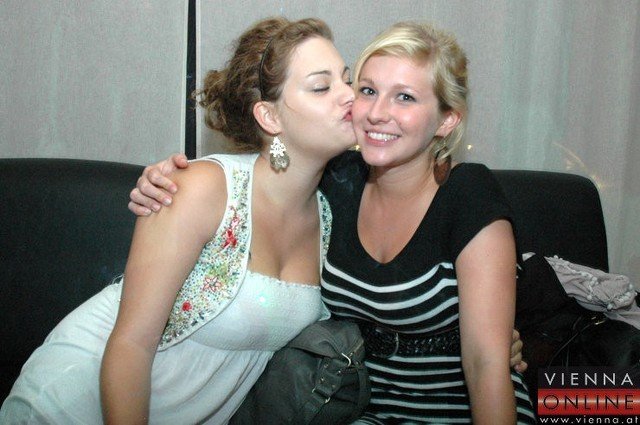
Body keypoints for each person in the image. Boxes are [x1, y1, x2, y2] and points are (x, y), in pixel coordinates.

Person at [129, 21, 537, 424]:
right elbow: (266, 174)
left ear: (447, 120)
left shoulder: (467, 193)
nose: (376, 113)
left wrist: (497, 341)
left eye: (405, 97)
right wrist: (167, 180)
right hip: (360, 409)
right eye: (368, 90)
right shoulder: (336, 184)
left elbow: (485, 364)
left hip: (459, 410)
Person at [0, 17, 357, 424]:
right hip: (78, 401)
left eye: (348, 80)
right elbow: (132, 344)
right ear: (269, 117)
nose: (349, 95)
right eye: (322, 87)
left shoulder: (333, 210)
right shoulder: (202, 189)